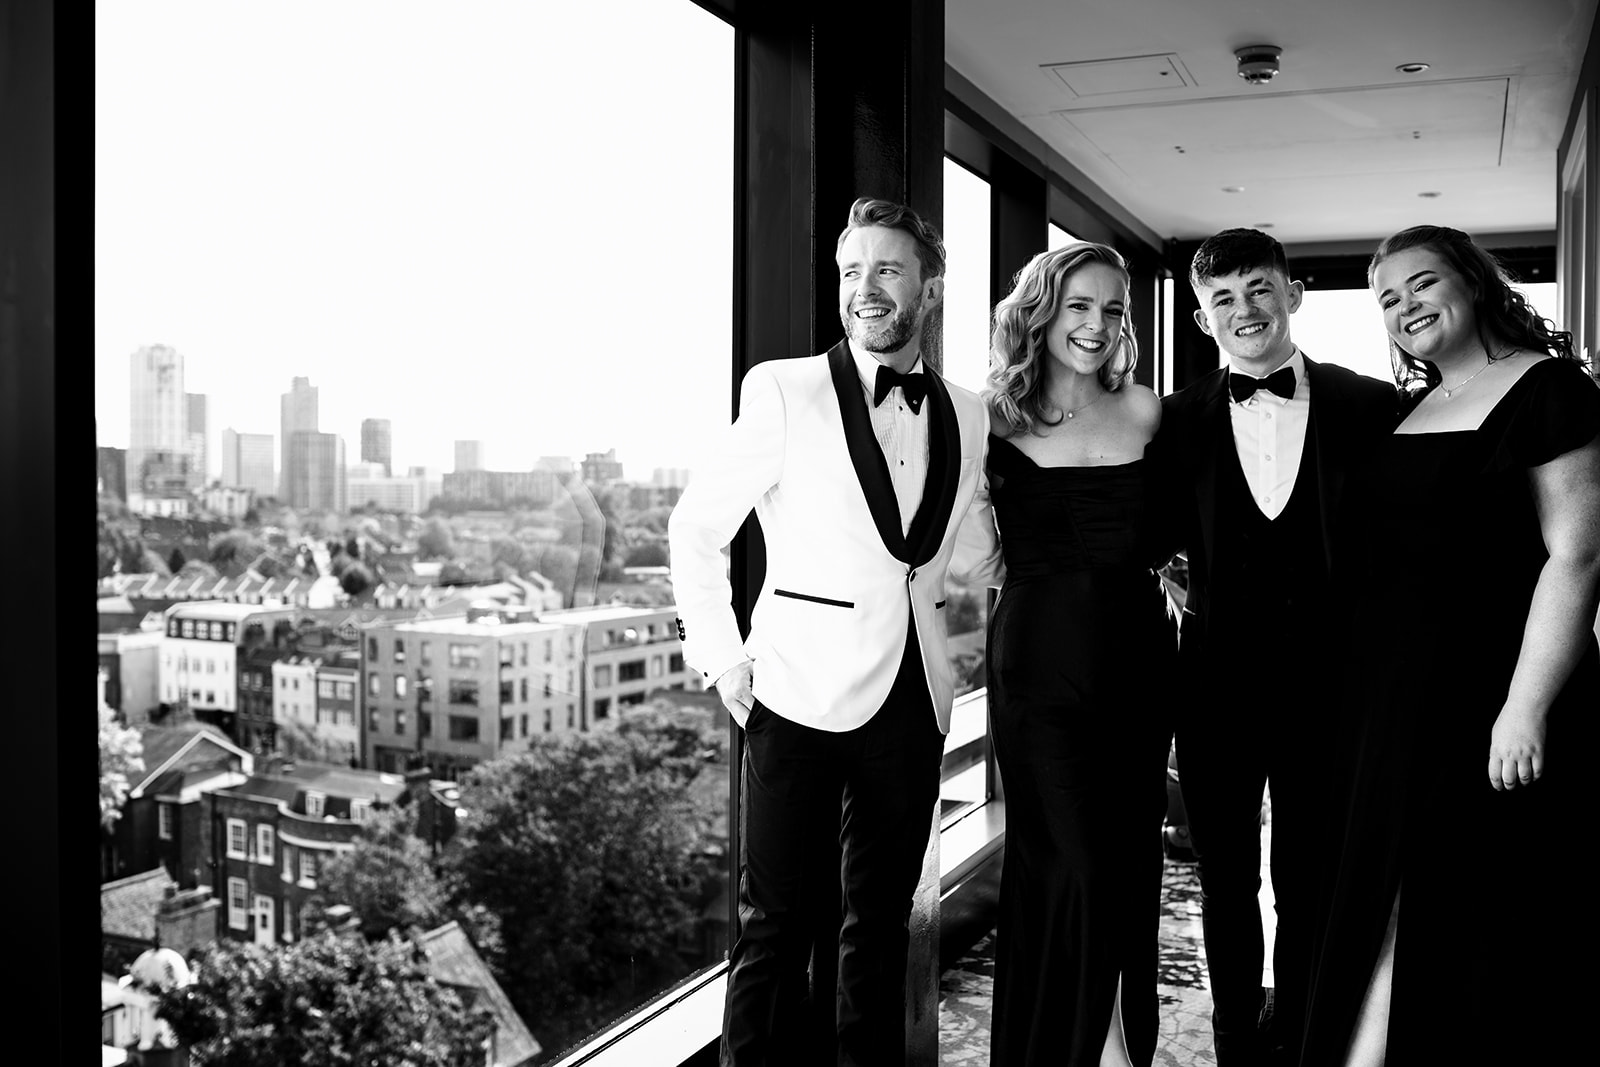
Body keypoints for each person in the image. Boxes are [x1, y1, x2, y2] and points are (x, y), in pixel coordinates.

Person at [667, 196, 1004, 1067]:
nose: (866, 287)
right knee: (773, 925)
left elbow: (967, 550)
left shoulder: (968, 411)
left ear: (928, 287)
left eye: (888, 269)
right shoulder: (785, 388)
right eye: (853, 270)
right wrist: (723, 661)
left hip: (912, 696)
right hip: (792, 691)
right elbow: (695, 529)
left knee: (882, 926)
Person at [1300, 226, 1600, 1066]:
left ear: (1473, 282)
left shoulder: (1549, 388)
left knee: (1461, 918)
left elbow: (1578, 554)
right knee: (1382, 902)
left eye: (1421, 283)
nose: (1405, 307)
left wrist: (1525, 707)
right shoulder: (1416, 404)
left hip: (1487, 700)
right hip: (1390, 710)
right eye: (1387, 298)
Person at [1155, 229, 1397, 1067]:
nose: (1244, 310)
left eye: (1260, 289)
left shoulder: (1370, 404)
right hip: (1215, 689)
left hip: (1332, 691)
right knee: (1224, 883)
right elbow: (1139, 533)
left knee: (1309, 880)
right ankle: (1233, 1045)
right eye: (1223, 298)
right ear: (1200, 316)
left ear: (1292, 295)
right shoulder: (1176, 419)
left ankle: (1301, 1030)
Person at [981, 242, 1177, 1066]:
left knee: (1127, 859)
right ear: (1041, 309)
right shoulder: (987, 417)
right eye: (1079, 306)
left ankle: (1115, 1045)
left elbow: (1185, 535)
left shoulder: (1150, 412)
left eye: (1113, 310)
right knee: (1071, 860)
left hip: (1138, 663)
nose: (1096, 325)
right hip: (1037, 670)